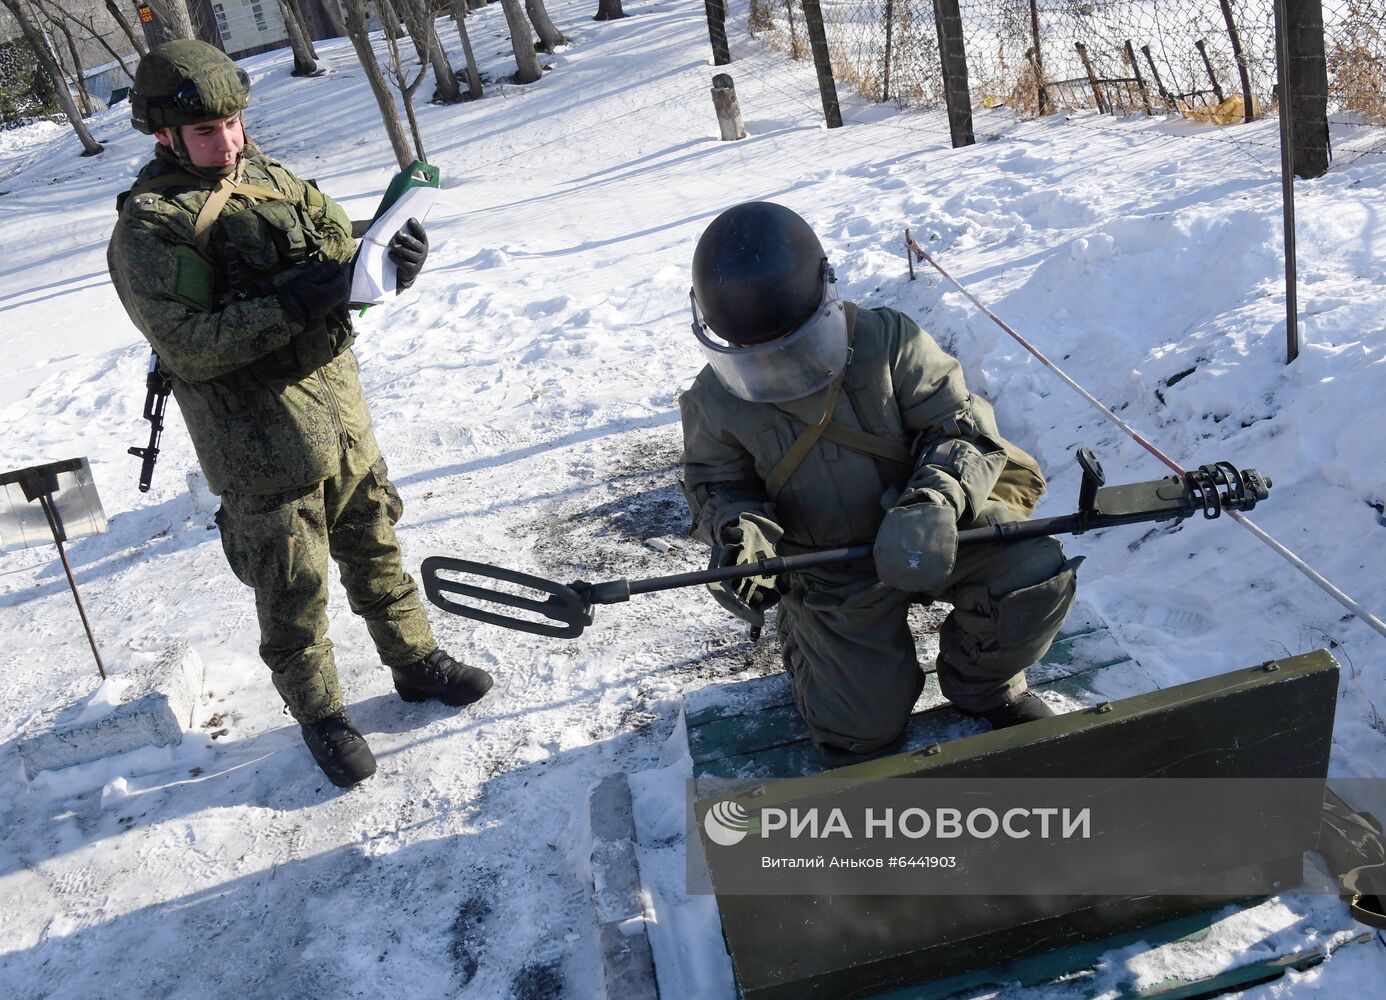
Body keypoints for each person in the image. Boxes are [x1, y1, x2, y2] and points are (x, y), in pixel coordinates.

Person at [107, 40, 492, 788]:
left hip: (340, 415)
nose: (228, 141)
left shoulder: (275, 180)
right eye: (207, 132)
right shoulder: (152, 227)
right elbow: (188, 345)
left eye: (234, 123)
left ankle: (414, 663)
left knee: (377, 549)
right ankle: (322, 716)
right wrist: (293, 301)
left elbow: (343, 256)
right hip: (261, 445)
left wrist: (390, 264)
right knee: (293, 593)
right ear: (164, 135)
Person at [678, 202, 1081, 768]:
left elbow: (960, 427)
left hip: (936, 531)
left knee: (1031, 571)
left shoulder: (889, 341)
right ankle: (809, 645)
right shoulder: (714, 399)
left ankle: (983, 683)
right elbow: (715, 484)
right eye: (754, 356)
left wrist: (936, 499)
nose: (777, 367)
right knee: (861, 729)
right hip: (829, 567)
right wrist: (739, 534)